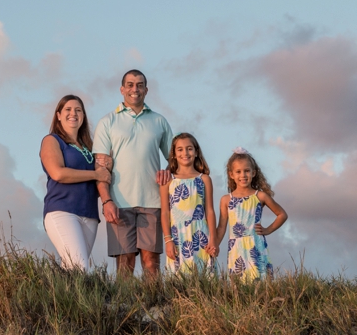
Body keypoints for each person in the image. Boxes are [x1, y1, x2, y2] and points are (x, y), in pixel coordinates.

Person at [92, 70, 174, 279]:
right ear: (122, 89)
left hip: (153, 202)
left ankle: (155, 310)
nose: (134, 89)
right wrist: (106, 201)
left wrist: (168, 171)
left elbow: (175, 159)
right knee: (125, 263)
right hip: (119, 202)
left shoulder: (159, 121)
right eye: (129, 85)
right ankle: (125, 310)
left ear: (146, 89)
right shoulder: (107, 122)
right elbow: (101, 170)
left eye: (139, 85)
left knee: (151, 262)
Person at [40, 94, 112, 270]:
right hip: (62, 211)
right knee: (80, 266)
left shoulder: (90, 147)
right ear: (58, 115)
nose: (74, 113)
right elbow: (58, 174)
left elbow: (102, 178)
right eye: (68, 109)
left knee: (72, 272)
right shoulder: (52, 140)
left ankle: (54, 298)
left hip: (89, 215)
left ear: (83, 116)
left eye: (78, 110)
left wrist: (108, 167)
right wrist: (96, 175)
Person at [214, 148, 288, 280]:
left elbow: (282, 214)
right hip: (236, 249)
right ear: (231, 174)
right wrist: (215, 245)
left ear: (253, 173)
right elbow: (221, 227)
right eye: (238, 171)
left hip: (256, 246)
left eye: (247, 171)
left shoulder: (260, 196)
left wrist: (267, 230)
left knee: (260, 282)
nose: (243, 175)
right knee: (239, 286)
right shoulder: (226, 200)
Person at [160, 133, 218, 275]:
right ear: (173, 154)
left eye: (189, 148)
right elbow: (165, 212)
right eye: (180, 149)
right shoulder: (168, 181)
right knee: (178, 280)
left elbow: (209, 211)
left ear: (196, 152)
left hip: (201, 235)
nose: (185, 153)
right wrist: (168, 240)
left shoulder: (204, 179)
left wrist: (213, 239)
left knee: (203, 278)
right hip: (177, 236)